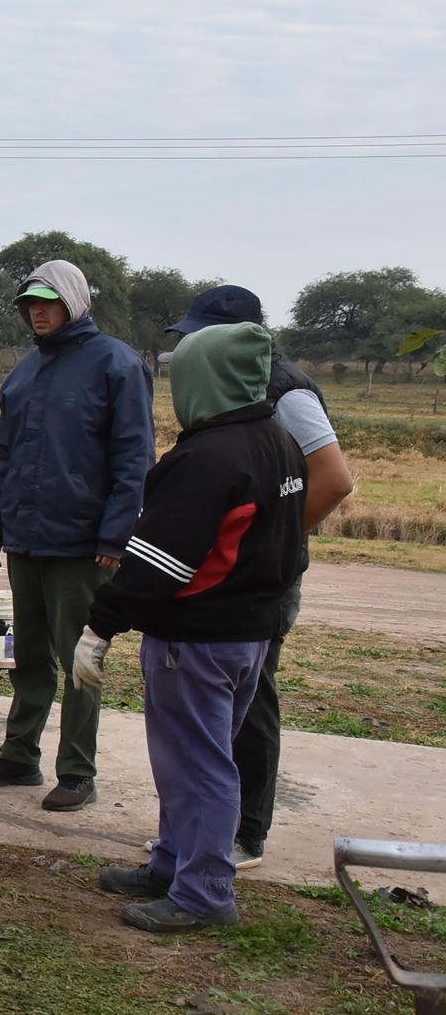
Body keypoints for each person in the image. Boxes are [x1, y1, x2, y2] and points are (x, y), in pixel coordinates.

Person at [79, 323, 308, 931]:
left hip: (198, 639)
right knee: (200, 757)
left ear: (204, 379)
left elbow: (160, 563)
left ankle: (204, 892)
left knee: (198, 766)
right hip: (249, 634)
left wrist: (99, 627)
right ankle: (173, 863)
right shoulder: (279, 441)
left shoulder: (206, 458)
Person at [165, 286, 354, 869]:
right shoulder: (238, 385)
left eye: (197, 335)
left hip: (259, 578)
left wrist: (274, 540)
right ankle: (203, 831)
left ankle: (246, 831)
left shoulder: (285, 391)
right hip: (238, 571)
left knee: (250, 701)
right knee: (221, 706)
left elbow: (335, 479)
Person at [0, 261, 153, 811]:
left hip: (83, 542)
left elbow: (134, 458)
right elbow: (5, 455)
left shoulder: (116, 363)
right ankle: (19, 755)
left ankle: (76, 771)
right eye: (29, 303)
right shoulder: (25, 371)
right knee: (28, 655)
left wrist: (116, 535)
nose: (37, 312)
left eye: (48, 301)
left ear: (73, 301)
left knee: (80, 658)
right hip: (26, 537)